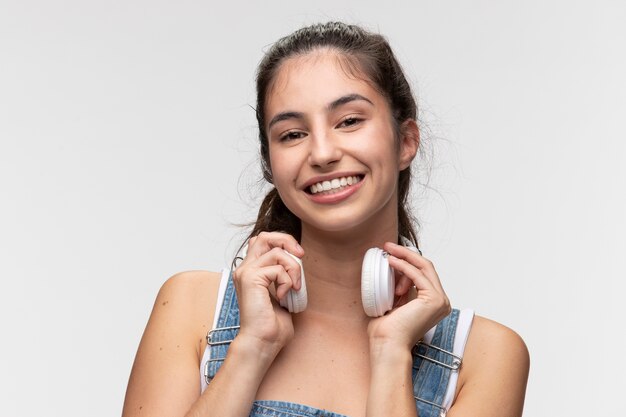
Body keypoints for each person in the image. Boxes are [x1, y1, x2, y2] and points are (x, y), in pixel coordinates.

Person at [122, 21, 529, 417]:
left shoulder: (485, 358)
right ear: (270, 163)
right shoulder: (192, 307)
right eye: (292, 134)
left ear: (405, 142)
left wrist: (391, 353)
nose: (321, 153)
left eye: (349, 121)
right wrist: (252, 349)